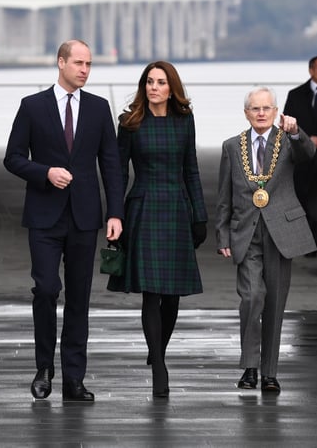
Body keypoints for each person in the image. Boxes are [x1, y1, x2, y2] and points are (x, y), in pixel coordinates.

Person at [3, 39, 124, 402]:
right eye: (78, 63)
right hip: (44, 216)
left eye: (89, 64)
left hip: (85, 217)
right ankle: (44, 368)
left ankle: (74, 378)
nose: (85, 70)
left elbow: (112, 166)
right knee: (46, 289)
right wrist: (45, 173)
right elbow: (12, 158)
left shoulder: (99, 109)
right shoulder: (32, 107)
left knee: (78, 299)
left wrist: (115, 212)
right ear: (60, 63)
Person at [107, 60, 207, 398]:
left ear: (171, 87)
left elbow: (191, 169)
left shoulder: (184, 121)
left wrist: (200, 216)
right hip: (144, 208)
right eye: (149, 81)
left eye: (161, 82)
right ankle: (160, 366)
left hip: (178, 209)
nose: (154, 87)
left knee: (173, 293)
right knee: (151, 291)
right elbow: (118, 173)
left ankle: (157, 349)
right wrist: (114, 215)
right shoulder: (130, 123)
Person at [215, 87, 316, 393]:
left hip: (280, 232)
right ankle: (249, 367)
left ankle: (269, 372)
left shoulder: (287, 141)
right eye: (255, 109)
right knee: (251, 298)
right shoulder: (233, 146)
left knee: (274, 303)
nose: (261, 113)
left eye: (266, 108)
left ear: (276, 112)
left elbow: (308, 154)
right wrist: (223, 234)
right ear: (246, 113)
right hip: (246, 231)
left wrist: (297, 131)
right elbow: (224, 196)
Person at [283, 55, 317, 258]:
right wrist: (307, 139)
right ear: (311, 71)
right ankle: (309, 244)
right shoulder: (296, 95)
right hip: (304, 157)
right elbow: (288, 125)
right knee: (304, 200)